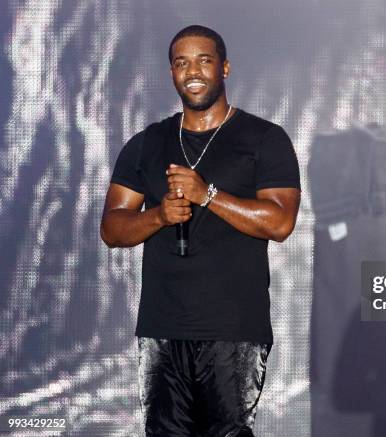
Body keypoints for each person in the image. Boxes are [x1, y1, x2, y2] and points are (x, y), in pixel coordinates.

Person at [100, 24, 301, 437]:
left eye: (203, 60)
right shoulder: (147, 144)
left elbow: (281, 222)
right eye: (181, 63)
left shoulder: (264, 139)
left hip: (233, 330)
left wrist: (207, 194)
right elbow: (112, 228)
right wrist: (158, 216)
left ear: (224, 68)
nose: (193, 71)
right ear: (171, 73)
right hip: (161, 328)